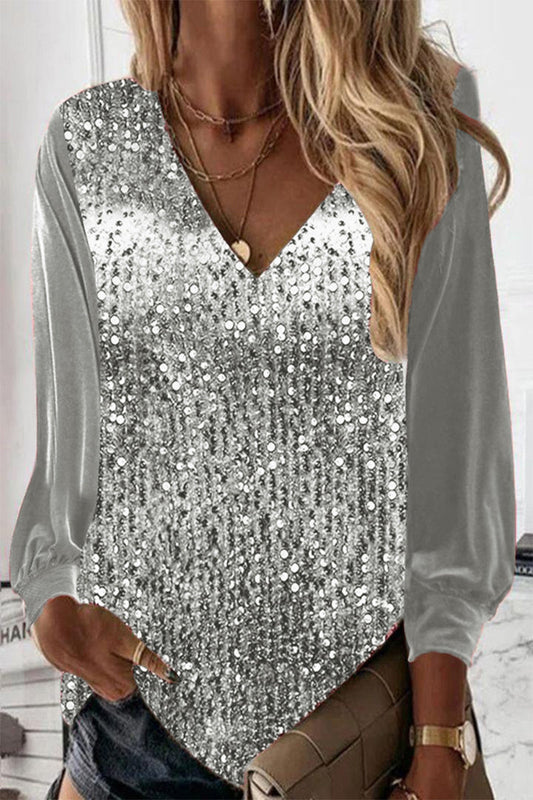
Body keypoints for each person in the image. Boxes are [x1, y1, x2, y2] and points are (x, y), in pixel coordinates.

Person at [9, 1, 516, 798]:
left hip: (343, 744)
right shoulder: (88, 145)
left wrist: (439, 740)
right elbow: (66, 459)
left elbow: (455, 468)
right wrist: (52, 606)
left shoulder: (411, 125)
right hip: (133, 733)